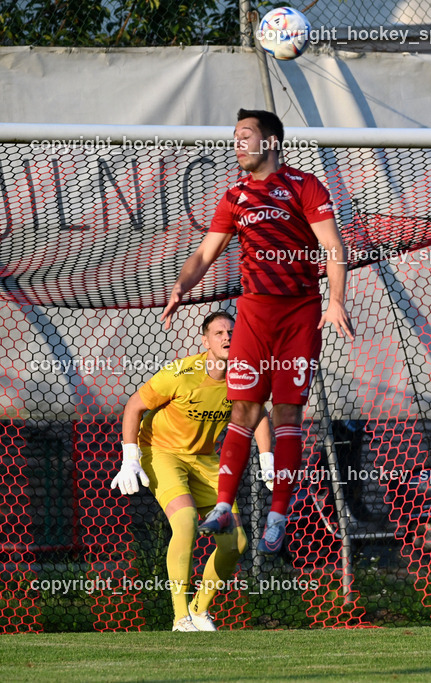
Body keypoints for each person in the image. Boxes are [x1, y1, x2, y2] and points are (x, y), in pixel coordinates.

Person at [160, 109, 355, 554]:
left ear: (269, 142)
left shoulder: (304, 187)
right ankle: (224, 505)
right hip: (252, 316)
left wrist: (336, 301)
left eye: (245, 135)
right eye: (234, 136)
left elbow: (333, 246)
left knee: (287, 414)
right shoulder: (234, 196)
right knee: (244, 411)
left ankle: (278, 514)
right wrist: (180, 285)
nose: (237, 143)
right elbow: (204, 254)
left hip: (299, 315)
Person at [112, 312, 272, 631]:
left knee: (234, 544)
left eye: (232, 332)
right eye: (219, 333)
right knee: (184, 522)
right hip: (161, 452)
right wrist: (130, 457)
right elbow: (134, 406)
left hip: (205, 459)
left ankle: (199, 610)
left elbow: (259, 414)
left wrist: (268, 459)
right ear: (205, 340)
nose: (227, 337)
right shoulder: (181, 372)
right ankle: (180, 617)